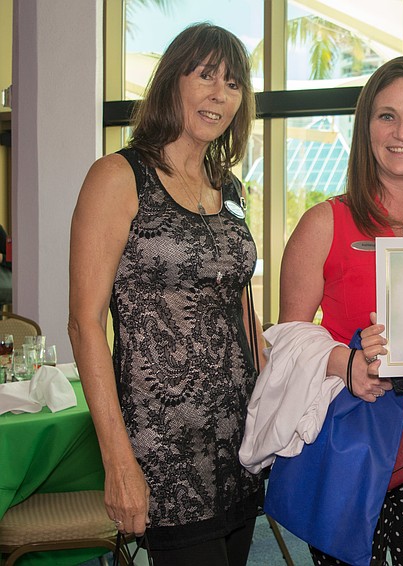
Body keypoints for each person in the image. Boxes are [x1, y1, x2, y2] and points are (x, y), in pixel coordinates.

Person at [68, 23, 264, 566]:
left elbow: (241, 307)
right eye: (205, 76)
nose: (219, 93)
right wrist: (117, 460)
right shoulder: (118, 176)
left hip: (239, 443)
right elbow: (85, 324)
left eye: (232, 83)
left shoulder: (230, 189)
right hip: (162, 452)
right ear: (170, 83)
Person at [277, 55, 403, 565]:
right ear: (366, 127)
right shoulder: (324, 223)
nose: (402, 132)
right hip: (351, 445)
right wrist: (345, 364)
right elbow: (287, 341)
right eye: (387, 115)